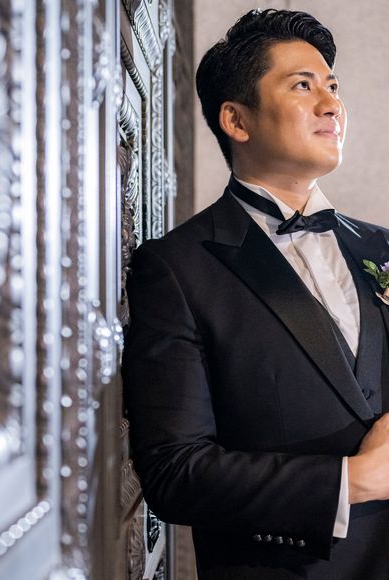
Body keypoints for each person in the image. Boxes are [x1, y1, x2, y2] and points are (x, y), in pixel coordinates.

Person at [122, 9, 389, 580]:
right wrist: (352, 481)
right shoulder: (177, 268)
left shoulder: (383, 247)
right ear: (237, 120)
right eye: (303, 86)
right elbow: (174, 472)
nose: (331, 104)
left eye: (333, 86)